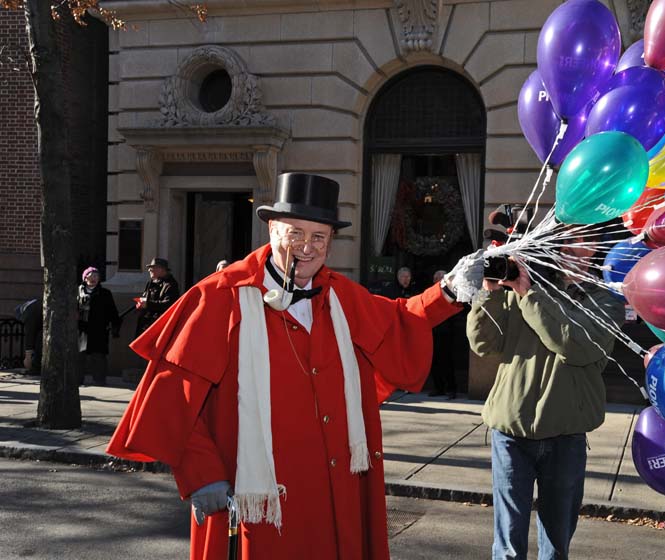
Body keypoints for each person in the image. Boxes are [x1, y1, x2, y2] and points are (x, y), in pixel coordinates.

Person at [107, 172, 469, 560]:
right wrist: (200, 473)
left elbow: (400, 320)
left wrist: (450, 291)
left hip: (334, 495)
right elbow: (172, 396)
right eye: (295, 232)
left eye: (319, 237)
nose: (307, 247)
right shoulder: (218, 297)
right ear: (271, 229)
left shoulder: (342, 297)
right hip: (256, 507)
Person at [467, 237, 625, 559]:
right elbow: (484, 344)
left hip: (565, 435)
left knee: (555, 546)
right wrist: (490, 292)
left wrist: (529, 296)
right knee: (508, 547)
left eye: (584, 242)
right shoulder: (522, 287)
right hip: (511, 431)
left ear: (597, 248)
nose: (575, 251)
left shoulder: (604, 301)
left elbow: (576, 346)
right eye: (568, 243)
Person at [77, 267, 121, 386]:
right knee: (80, 356)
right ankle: (77, 379)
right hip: (82, 329)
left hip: (99, 329)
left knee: (98, 356)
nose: (93, 279)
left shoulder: (105, 293)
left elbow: (112, 311)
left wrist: (115, 326)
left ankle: (99, 379)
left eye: (96, 276)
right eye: (90, 276)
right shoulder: (78, 292)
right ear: (85, 278)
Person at [429, 269, 458, 399]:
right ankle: (438, 387)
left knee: (446, 361)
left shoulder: (452, 292)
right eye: (436, 278)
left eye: (441, 278)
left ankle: (451, 389)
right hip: (433, 331)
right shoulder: (430, 293)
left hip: (446, 332)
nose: (438, 280)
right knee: (434, 361)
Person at [135, 257, 180, 337]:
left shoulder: (170, 285)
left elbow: (169, 304)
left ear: (160, 269)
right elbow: (146, 299)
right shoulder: (151, 283)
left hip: (158, 327)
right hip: (147, 325)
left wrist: (147, 304)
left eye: (152, 268)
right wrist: (141, 304)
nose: (149, 270)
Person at [15, 297, 42, 373]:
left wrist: (28, 359)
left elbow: (29, 337)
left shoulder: (29, 313)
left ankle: (35, 368)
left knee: (39, 341)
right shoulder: (34, 303)